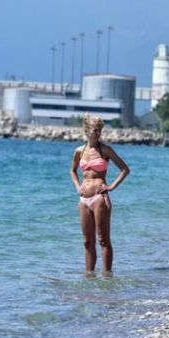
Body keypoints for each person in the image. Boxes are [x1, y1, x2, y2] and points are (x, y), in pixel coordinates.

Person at [70, 114, 130, 273]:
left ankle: (107, 278)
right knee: (87, 242)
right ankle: (89, 277)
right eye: (95, 130)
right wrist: (77, 187)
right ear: (86, 131)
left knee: (103, 240)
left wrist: (110, 187)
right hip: (83, 200)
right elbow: (72, 171)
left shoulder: (105, 150)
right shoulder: (79, 151)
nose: (98, 134)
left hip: (99, 199)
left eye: (100, 130)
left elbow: (125, 170)